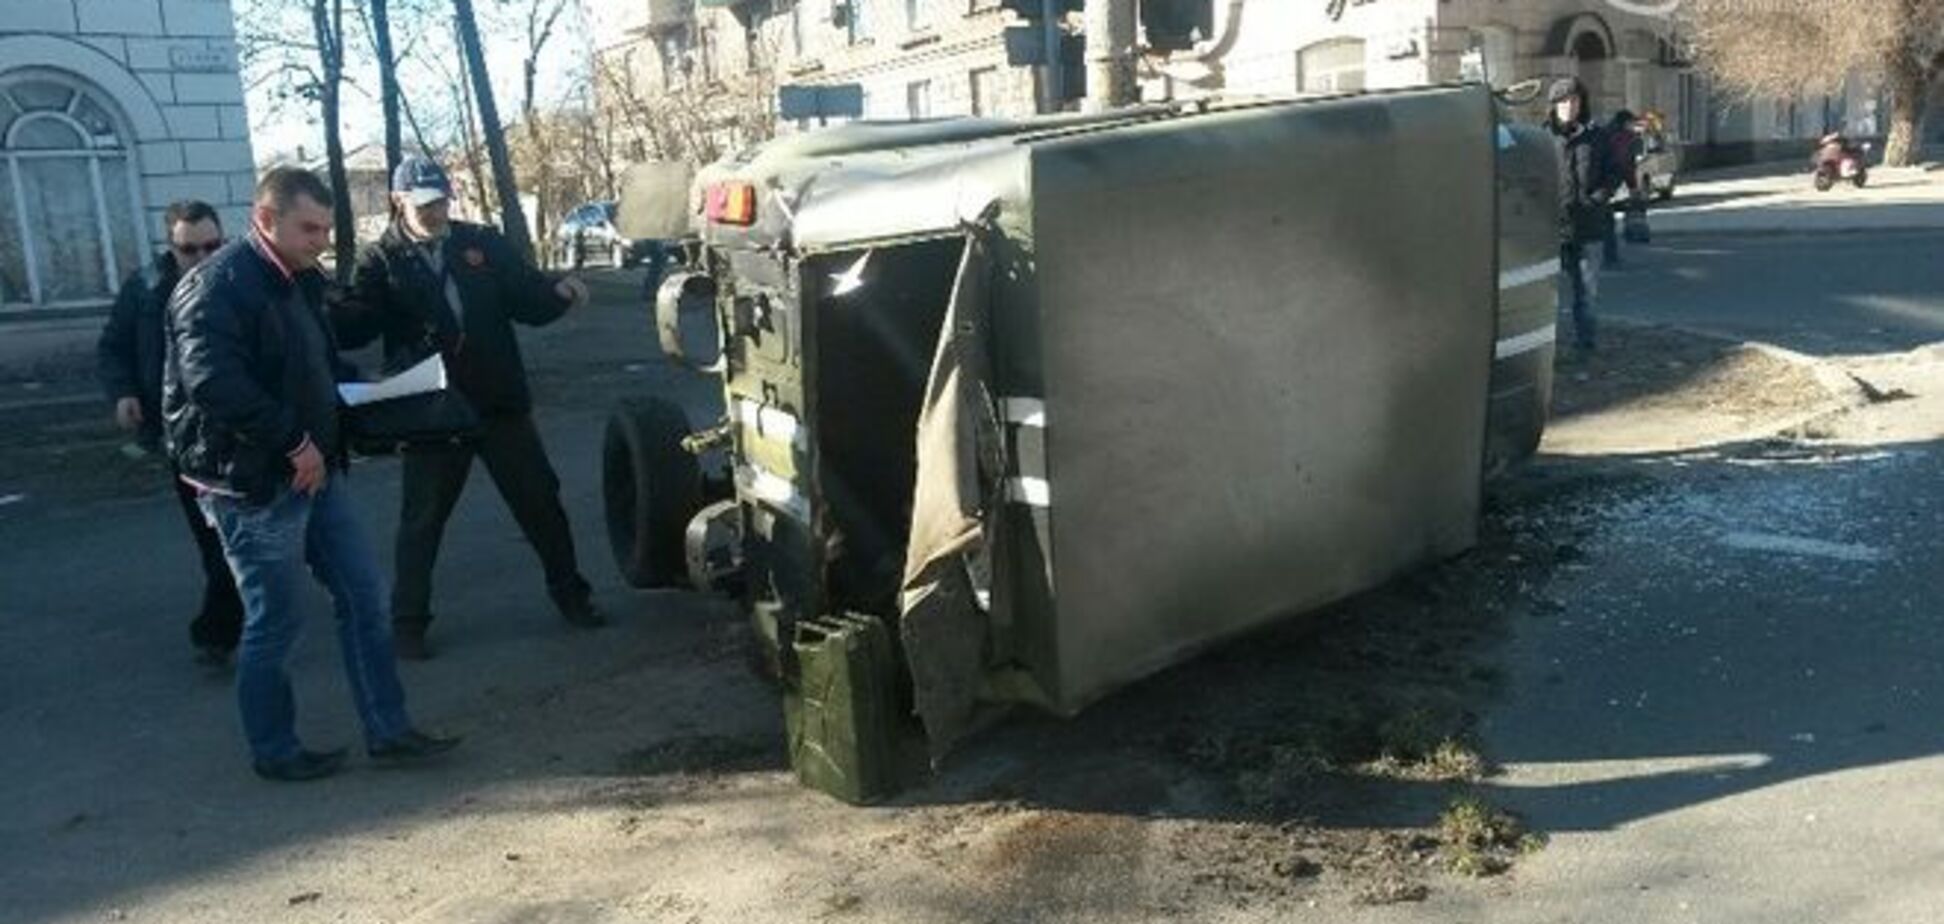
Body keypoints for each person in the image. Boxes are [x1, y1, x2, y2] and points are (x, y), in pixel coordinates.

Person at [164, 166, 459, 781]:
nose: (321, 240)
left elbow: (315, 361)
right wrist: (294, 439)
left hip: (314, 471)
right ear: (265, 219)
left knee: (366, 600)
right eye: (309, 228)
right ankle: (274, 750)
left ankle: (389, 730)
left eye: (326, 228)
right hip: (250, 483)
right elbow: (213, 383)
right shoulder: (214, 286)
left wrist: (371, 387)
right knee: (275, 620)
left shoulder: (299, 280)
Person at [331, 155, 598, 661]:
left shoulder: (480, 243)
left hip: (498, 401)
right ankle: (408, 624)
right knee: (422, 519)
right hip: (433, 412)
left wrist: (558, 293)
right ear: (399, 202)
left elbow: (527, 297)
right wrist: (330, 310)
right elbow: (357, 325)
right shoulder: (382, 259)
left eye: (442, 203)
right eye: (425, 205)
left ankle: (573, 597)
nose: (436, 214)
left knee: (541, 503)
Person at [97, 200, 243, 665]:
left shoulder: (240, 283)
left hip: (239, 432)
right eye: (189, 249)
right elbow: (113, 346)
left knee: (237, 539)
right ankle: (224, 627)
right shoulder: (146, 288)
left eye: (212, 246)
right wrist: (123, 392)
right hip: (181, 439)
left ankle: (221, 629)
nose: (202, 258)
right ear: (170, 247)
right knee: (215, 539)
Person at [1545, 77, 1610, 353]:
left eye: (1574, 100)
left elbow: (1614, 171)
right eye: (1563, 101)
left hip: (1589, 227)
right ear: (1553, 105)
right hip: (1551, 231)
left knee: (1586, 293)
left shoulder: (1596, 137)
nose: (1569, 106)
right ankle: (1546, 348)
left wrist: (1599, 197)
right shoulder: (1543, 138)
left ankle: (1586, 344)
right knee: (1545, 295)